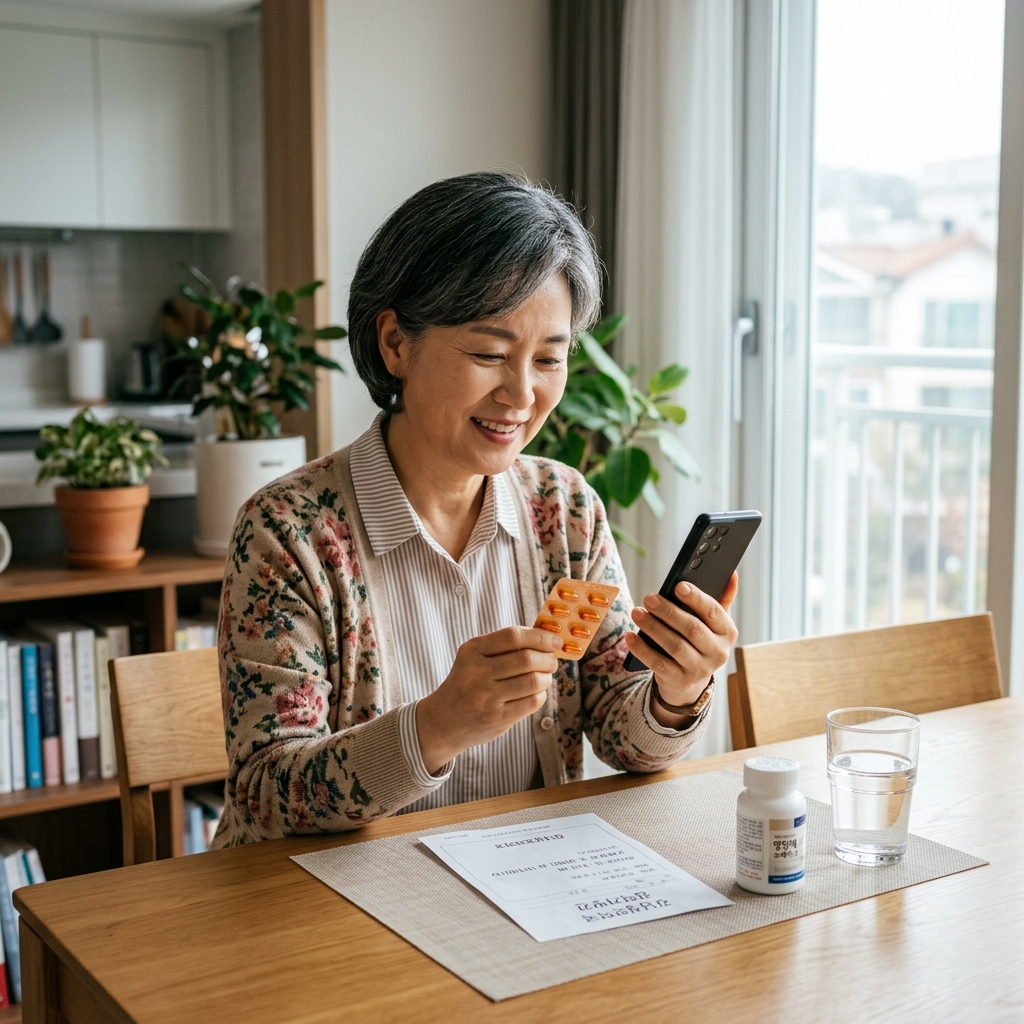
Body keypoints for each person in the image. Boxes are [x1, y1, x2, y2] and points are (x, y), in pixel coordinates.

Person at [211, 171, 738, 847]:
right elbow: (266, 794)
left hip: (520, 887)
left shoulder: (565, 509)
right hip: (331, 908)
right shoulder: (289, 533)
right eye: (490, 354)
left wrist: (674, 691)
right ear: (395, 343)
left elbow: (620, 734)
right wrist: (436, 727)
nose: (521, 394)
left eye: (549, 359)